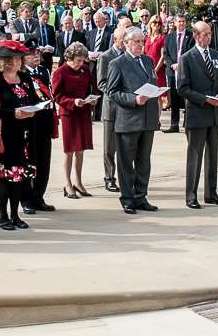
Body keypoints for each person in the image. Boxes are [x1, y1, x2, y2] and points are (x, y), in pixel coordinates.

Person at [105, 27, 161, 214]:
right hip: (129, 119)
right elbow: (112, 92)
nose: (140, 44)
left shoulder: (148, 60)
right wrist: (133, 100)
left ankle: (140, 196)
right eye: (136, 41)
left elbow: (151, 82)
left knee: (144, 161)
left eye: (141, 41)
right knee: (126, 162)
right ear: (126, 42)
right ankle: (128, 198)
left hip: (148, 119)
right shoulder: (117, 63)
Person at [0, 40, 38, 230]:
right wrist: (13, 113)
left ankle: (15, 214)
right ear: (3, 61)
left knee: (19, 177)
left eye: (17, 59)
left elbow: (34, 100)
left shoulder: (25, 78)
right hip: (3, 135)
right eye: (11, 59)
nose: (15, 62)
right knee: (4, 177)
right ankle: (3, 216)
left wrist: (34, 110)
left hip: (22, 135)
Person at [176, 21, 218, 209]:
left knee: (212, 155)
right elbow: (182, 88)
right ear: (196, 36)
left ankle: (211, 192)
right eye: (205, 34)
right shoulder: (187, 58)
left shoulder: (217, 56)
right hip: (197, 112)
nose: (209, 36)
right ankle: (191, 194)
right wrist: (205, 99)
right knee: (195, 155)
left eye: (209, 33)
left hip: (214, 113)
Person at [51, 41, 97, 199]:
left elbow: (93, 87)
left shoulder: (85, 70)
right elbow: (56, 96)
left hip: (83, 112)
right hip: (69, 114)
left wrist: (92, 99)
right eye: (77, 60)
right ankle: (67, 183)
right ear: (69, 57)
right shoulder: (60, 72)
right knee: (69, 150)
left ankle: (78, 181)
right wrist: (72, 102)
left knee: (81, 149)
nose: (80, 63)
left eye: (82, 60)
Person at [22, 44, 58, 214]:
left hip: (44, 122)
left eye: (37, 53)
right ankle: (26, 198)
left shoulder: (44, 71)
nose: (36, 56)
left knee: (43, 162)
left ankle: (38, 196)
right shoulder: (21, 74)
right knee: (30, 163)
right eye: (31, 54)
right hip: (30, 123)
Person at [96, 27, 126, 193]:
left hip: (127, 109)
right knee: (109, 147)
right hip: (112, 108)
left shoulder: (129, 57)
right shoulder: (106, 57)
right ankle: (109, 178)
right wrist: (120, 93)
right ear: (115, 39)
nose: (126, 43)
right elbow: (101, 83)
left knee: (125, 147)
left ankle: (125, 178)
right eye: (123, 39)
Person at [162, 14, 193, 133]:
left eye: (183, 21)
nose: (181, 23)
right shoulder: (170, 37)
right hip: (172, 71)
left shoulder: (190, 36)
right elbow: (166, 53)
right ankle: (174, 124)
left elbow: (191, 52)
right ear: (175, 23)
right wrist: (171, 64)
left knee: (186, 97)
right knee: (174, 97)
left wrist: (181, 65)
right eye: (179, 21)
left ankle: (187, 123)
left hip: (185, 70)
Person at [35, 9, 57, 73]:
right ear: (39, 17)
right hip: (37, 55)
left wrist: (52, 49)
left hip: (48, 56)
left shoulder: (51, 28)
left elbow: (53, 42)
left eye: (47, 19)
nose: (45, 21)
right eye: (43, 19)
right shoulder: (34, 27)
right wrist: (38, 48)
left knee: (47, 75)